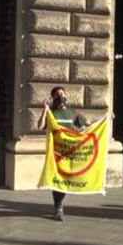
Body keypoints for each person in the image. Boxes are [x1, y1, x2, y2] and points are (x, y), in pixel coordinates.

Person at [37, 86, 91, 222]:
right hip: (56, 153)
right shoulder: (52, 113)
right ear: (53, 98)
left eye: (62, 93)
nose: (60, 96)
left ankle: (58, 206)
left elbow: (89, 126)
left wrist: (106, 119)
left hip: (71, 152)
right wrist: (45, 110)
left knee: (66, 179)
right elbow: (39, 125)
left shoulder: (73, 113)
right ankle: (59, 207)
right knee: (58, 180)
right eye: (56, 94)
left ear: (66, 96)